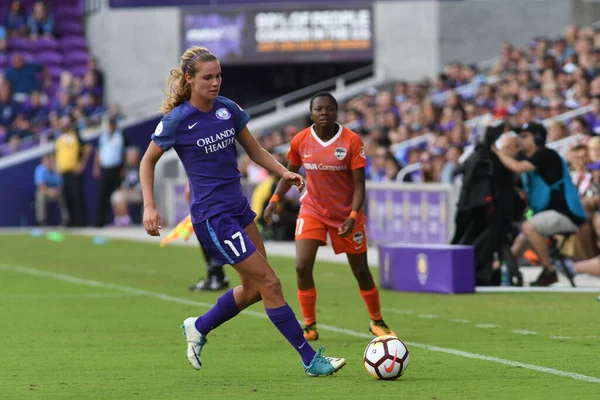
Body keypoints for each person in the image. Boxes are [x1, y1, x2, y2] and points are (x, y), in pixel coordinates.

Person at [139, 46, 345, 376]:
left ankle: (199, 326)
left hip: (239, 209)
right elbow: (147, 160)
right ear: (190, 80)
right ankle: (310, 359)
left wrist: (284, 172)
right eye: (207, 77)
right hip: (213, 218)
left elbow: (255, 150)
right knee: (271, 283)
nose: (215, 82)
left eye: (219, 75)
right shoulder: (177, 120)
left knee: (254, 290)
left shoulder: (227, 109)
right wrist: (150, 206)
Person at [263, 92, 396, 340]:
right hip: (312, 210)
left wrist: (354, 215)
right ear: (311, 113)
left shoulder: (351, 141)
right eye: (319, 109)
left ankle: (376, 321)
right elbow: (289, 173)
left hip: (347, 215)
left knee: (361, 271)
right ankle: (310, 326)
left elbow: (359, 185)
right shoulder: (301, 140)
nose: (324, 113)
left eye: (329, 109)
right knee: (302, 266)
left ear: (337, 113)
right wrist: (274, 200)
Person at [491, 122, 587, 286]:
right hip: (547, 215)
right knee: (520, 240)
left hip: (566, 214)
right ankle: (500, 270)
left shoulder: (546, 154)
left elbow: (517, 167)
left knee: (529, 227)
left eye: (525, 136)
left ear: (537, 138)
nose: (519, 140)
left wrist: (495, 150)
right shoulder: (530, 159)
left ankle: (549, 271)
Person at [183, 181, 230, 291]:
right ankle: (216, 276)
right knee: (208, 236)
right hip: (211, 193)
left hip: (209, 196)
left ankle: (216, 277)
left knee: (210, 236)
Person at [94, 117, 127, 227]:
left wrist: (124, 168)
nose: (111, 126)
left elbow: (125, 153)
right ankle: (100, 221)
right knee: (102, 195)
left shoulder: (121, 135)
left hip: (116, 168)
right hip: (105, 168)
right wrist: (97, 167)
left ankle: (120, 220)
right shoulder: (103, 136)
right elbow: (98, 152)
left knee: (117, 195)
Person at [110, 147, 142, 226]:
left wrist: (131, 189)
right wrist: (122, 189)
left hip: (138, 193)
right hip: (127, 192)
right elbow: (124, 183)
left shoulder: (141, 167)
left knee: (121, 197)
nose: (131, 158)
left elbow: (142, 184)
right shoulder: (125, 169)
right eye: (129, 156)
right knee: (115, 195)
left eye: (133, 156)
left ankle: (126, 219)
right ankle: (119, 218)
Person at [34, 154, 68, 226]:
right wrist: (49, 191)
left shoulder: (56, 170)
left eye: (50, 160)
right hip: (45, 193)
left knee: (62, 195)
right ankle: (41, 221)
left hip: (55, 193)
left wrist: (57, 191)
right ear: (43, 161)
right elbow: (41, 185)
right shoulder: (39, 169)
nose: (49, 162)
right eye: (46, 160)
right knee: (40, 194)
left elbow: (60, 185)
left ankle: (65, 219)